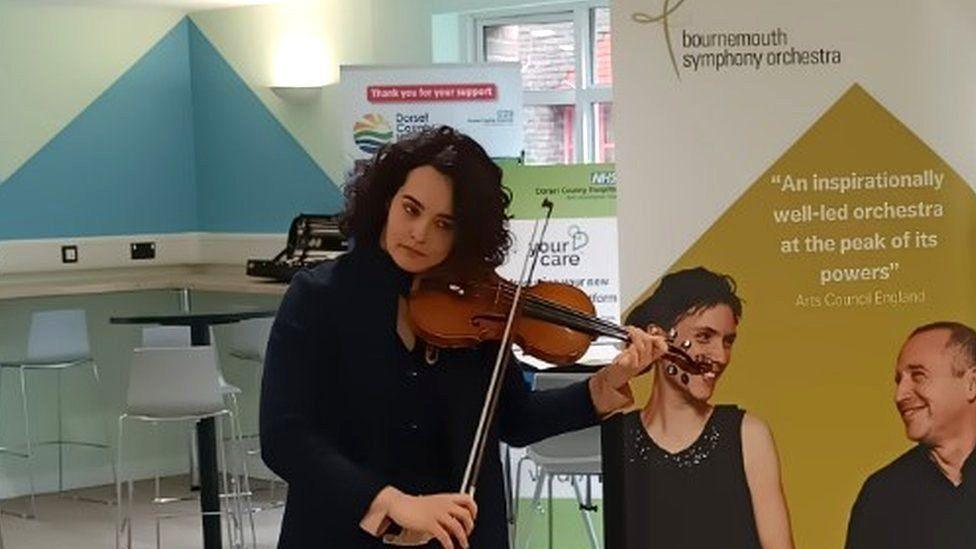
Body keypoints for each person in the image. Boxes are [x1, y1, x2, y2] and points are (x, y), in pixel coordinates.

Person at [259, 126, 666, 548]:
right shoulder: (319, 297)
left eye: (444, 224)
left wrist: (603, 386)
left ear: (465, 234)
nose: (419, 234)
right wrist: (387, 502)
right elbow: (284, 435)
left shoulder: (479, 305)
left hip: (460, 537)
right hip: (342, 534)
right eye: (411, 209)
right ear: (386, 200)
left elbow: (513, 417)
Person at [613, 267, 794, 549]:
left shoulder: (748, 435)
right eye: (704, 337)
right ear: (657, 339)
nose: (720, 356)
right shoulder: (616, 439)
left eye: (728, 341)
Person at [845, 321, 976, 549]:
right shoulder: (882, 495)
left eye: (918, 375)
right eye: (899, 380)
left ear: (972, 383)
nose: (900, 395)